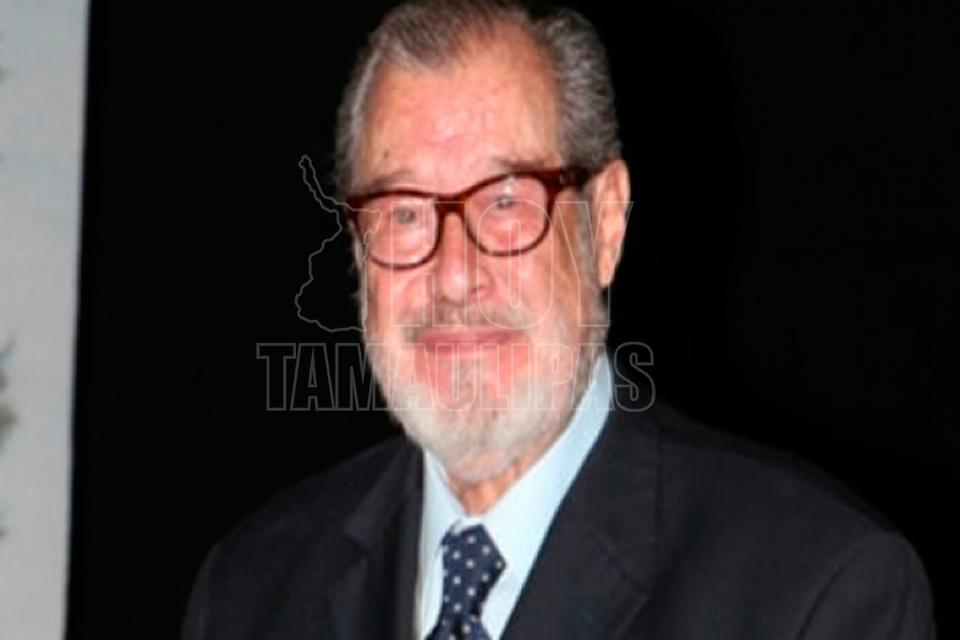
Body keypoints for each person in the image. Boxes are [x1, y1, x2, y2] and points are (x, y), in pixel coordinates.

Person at [182, 1, 935, 638]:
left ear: (604, 225)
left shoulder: (815, 593)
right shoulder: (250, 593)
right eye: (405, 213)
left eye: (507, 202)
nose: (454, 275)